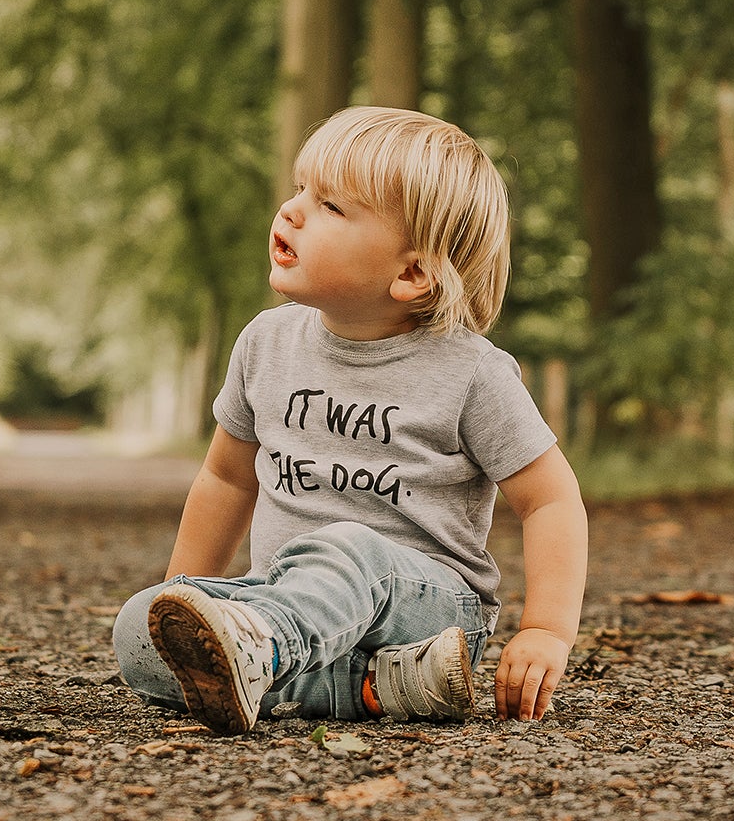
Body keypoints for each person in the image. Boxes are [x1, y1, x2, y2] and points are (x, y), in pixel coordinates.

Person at [113, 106, 587, 733]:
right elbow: (227, 479)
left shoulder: (470, 372)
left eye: (331, 207)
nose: (292, 210)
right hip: (296, 610)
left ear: (412, 272)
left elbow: (551, 500)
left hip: (424, 610)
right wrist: (188, 601)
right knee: (137, 625)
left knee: (348, 549)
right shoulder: (265, 344)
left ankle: (270, 649)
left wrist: (546, 631)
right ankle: (371, 688)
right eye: (300, 188)